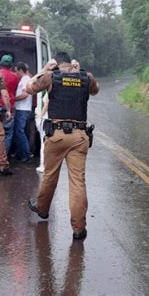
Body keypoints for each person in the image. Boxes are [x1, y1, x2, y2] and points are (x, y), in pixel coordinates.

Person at [26, 52, 99, 240]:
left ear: (56, 64)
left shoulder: (51, 76)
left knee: (50, 175)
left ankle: (42, 209)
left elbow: (28, 88)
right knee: (77, 182)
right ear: (71, 62)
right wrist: (81, 71)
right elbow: (95, 89)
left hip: (56, 135)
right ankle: (78, 228)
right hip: (79, 136)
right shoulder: (85, 77)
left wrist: (43, 70)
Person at [0, 54, 19, 156]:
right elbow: (14, 90)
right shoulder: (15, 76)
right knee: (7, 133)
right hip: (9, 106)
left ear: (0, 63)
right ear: (11, 65)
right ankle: (3, 155)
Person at [14, 62, 34, 162]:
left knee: (20, 132)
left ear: (21, 70)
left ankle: (27, 154)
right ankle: (20, 153)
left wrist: (13, 99)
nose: (15, 73)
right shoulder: (25, 79)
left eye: (16, 71)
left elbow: (25, 94)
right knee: (19, 132)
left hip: (23, 109)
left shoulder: (26, 79)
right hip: (23, 109)